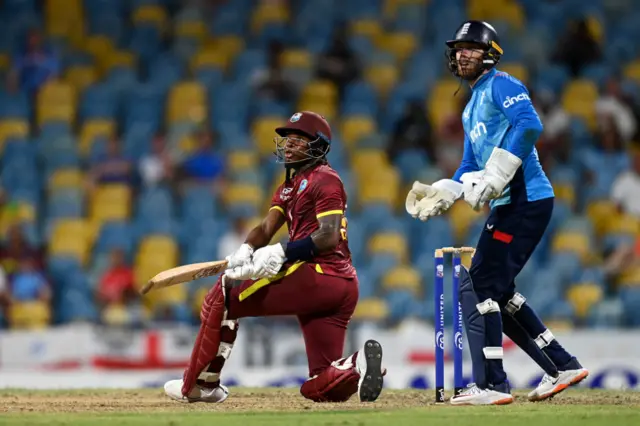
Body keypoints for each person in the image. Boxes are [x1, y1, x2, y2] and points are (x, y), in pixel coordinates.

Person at [404, 21, 588, 405]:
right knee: (499, 291)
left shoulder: (502, 83)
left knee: (481, 285)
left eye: (471, 47)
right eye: (458, 48)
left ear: (490, 53)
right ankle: (561, 365)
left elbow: (530, 125)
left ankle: (492, 384)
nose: (462, 54)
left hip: (525, 200)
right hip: (515, 204)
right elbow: (471, 162)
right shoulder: (472, 105)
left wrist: (500, 171)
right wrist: (447, 190)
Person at [163, 111, 385, 404]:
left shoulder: (326, 179)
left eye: (297, 140)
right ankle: (355, 365)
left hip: (319, 274)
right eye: (287, 140)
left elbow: (328, 236)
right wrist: (246, 249)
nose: (289, 146)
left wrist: (282, 251)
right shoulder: (289, 187)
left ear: (318, 145)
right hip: (339, 285)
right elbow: (267, 227)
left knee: (224, 293)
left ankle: (200, 385)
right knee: (317, 386)